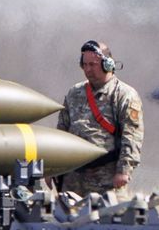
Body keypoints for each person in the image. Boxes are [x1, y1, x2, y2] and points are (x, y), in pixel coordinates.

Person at [56, 40, 143, 200]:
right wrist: (52, 169)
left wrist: (123, 171)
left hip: (106, 181)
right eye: (85, 65)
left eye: (93, 64)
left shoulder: (124, 95)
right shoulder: (74, 93)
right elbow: (62, 130)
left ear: (108, 64)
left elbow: (132, 136)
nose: (88, 69)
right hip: (73, 180)